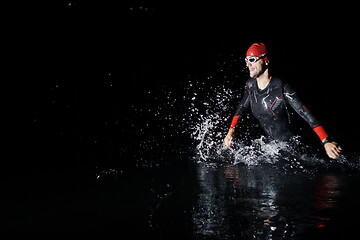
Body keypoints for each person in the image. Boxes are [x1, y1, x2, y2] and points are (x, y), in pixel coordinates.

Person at [224, 42, 342, 159]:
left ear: (266, 60)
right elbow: (241, 108)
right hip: (272, 149)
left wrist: (325, 140)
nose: (248, 64)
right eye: (246, 60)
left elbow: (305, 113)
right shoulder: (250, 86)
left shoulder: (281, 88)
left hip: (294, 150)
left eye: (252, 59)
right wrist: (231, 132)